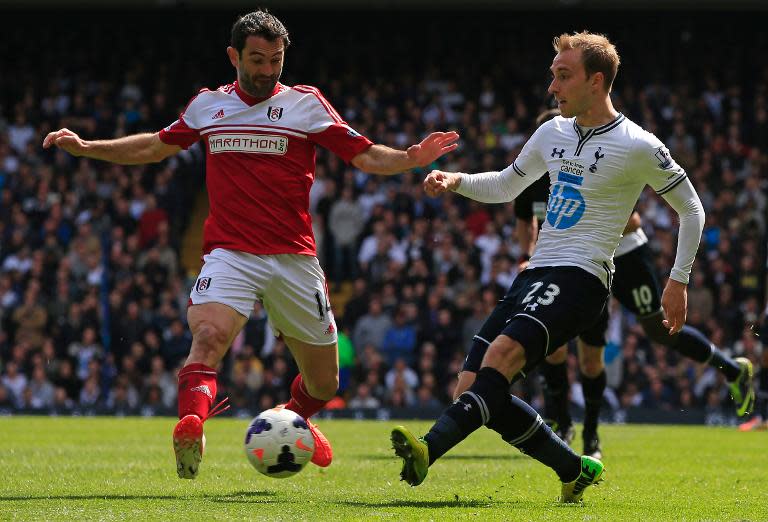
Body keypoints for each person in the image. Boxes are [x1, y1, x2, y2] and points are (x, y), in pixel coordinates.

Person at [43, 9, 458, 480]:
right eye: (256, 60)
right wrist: (89, 147)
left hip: (294, 258)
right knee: (209, 337)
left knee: (324, 382)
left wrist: (409, 158)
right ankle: (192, 425)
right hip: (230, 254)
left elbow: (362, 154)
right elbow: (155, 146)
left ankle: (292, 418)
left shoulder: (305, 104)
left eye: (275, 61)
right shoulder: (208, 106)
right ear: (233, 56)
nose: (265, 70)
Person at [392, 31, 705, 503]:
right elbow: (505, 184)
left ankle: (428, 448)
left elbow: (692, 210)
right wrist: (455, 180)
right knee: (474, 388)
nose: (552, 87)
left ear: (596, 82)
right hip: (535, 272)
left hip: (582, 278)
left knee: (497, 361)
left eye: (563, 76)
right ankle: (572, 468)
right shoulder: (552, 133)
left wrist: (677, 280)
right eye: (552, 76)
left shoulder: (637, 144)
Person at [457, 108, 755, 460]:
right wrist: (532, 253)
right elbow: (526, 223)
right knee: (554, 344)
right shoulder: (533, 176)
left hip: (625, 255)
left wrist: (584, 229)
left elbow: (634, 218)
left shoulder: (595, 158)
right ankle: (563, 421)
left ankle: (732, 369)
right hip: (575, 267)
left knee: (657, 330)